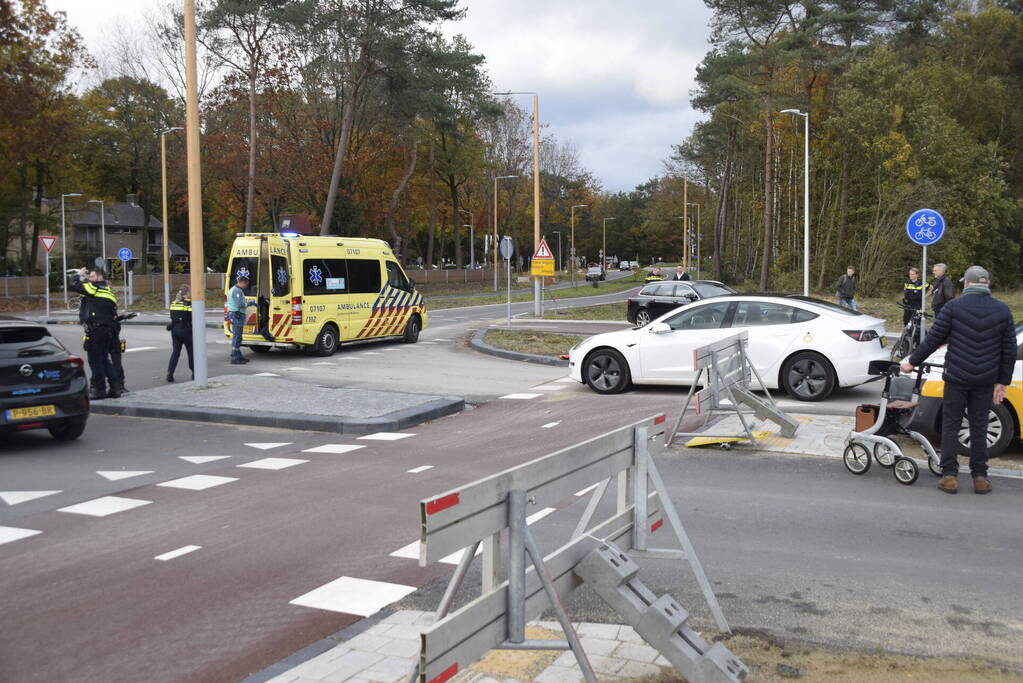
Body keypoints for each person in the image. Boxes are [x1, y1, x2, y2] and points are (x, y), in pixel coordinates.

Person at [901, 266, 1016, 495]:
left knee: (951, 424)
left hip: (957, 377)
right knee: (979, 426)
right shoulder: (1002, 310)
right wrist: (1002, 382)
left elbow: (933, 339)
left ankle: (950, 476)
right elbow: (1009, 350)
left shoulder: (953, 307)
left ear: (966, 284)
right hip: (985, 380)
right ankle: (980, 477)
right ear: (987, 284)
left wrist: (912, 361)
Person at [69, 267, 120, 399]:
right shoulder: (109, 291)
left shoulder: (94, 287)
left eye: (91, 277)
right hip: (108, 329)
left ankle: (99, 390)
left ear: (99, 277)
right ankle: (115, 387)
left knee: (95, 360)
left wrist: (78, 274)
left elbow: (73, 284)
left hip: (96, 330)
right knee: (104, 360)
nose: (89, 279)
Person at [167, 285, 194, 382]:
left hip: (175, 330)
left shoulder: (173, 303)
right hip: (186, 330)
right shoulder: (188, 304)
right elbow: (191, 317)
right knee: (191, 352)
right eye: (190, 292)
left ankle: (170, 372)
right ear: (187, 293)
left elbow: (172, 317)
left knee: (175, 352)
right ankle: (194, 372)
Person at [227, 275, 255, 364]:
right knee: (237, 336)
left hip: (237, 314)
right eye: (246, 284)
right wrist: (249, 304)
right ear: (243, 282)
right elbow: (240, 304)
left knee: (238, 336)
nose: (246, 286)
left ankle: (238, 355)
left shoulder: (237, 290)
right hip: (236, 315)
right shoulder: (236, 291)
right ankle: (235, 357)